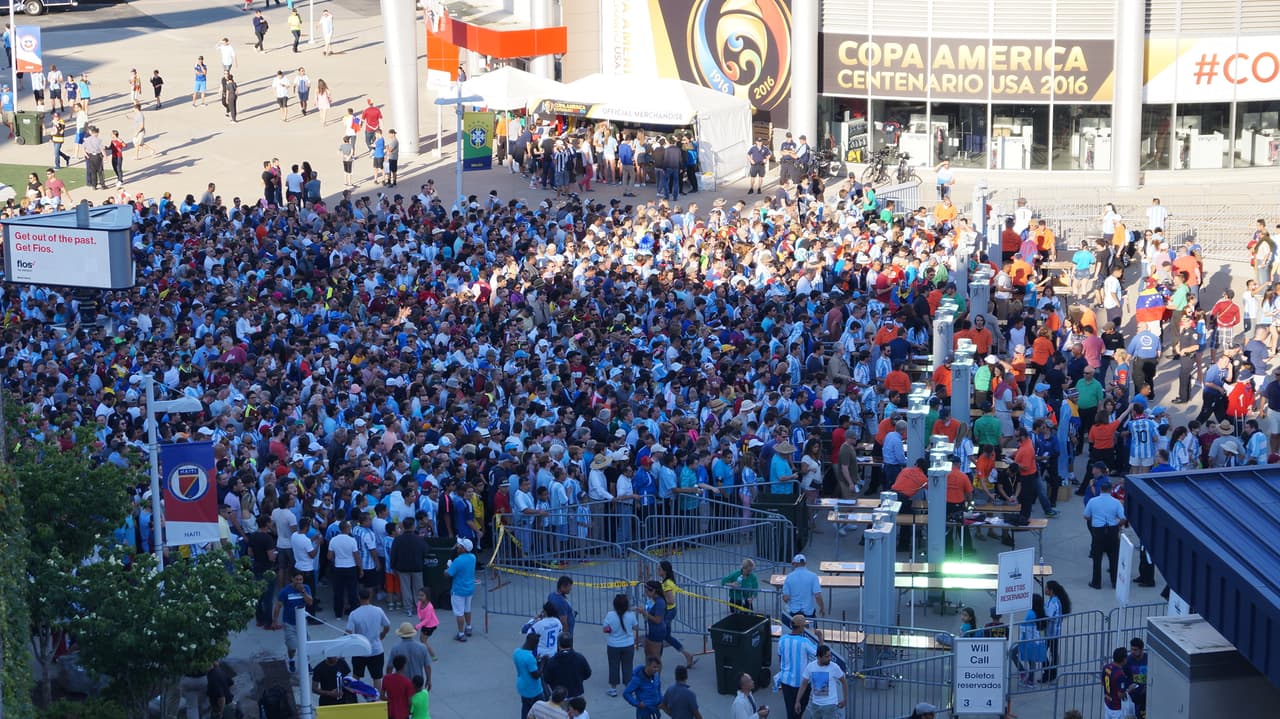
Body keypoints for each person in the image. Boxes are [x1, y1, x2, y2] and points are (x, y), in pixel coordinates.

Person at [345, 588, 391, 695]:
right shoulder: (378, 610)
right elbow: (387, 625)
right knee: (377, 677)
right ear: (369, 597)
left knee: (356, 676)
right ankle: (377, 699)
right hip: (376, 649)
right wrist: (383, 634)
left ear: (359, 598)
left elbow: (348, 632)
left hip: (360, 649)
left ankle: (354, 698)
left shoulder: (354, 614)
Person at [1083, 477, 1125, 589]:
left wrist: (1094, 519)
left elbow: (1086, 516)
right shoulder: (1116, 502)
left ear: (1100, 489)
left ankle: (1096, 582)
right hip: (1112, 530)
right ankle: (1115, 582)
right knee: (1113, 557)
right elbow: (1123, 518)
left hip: (1098, 531)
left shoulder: (1093, 501)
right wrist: (1118, 524)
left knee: (1097, 558)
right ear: (1111, 490)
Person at [656, 561, 697, 669]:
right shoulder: (665, 582)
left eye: (659, 569)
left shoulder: (667, 584)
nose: (657, 570)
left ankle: (657, 661)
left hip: (668, 612)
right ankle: (687, 654)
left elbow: (671, 601)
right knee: (666, 636)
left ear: (664, 571)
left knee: (661, 635)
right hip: (668, 612)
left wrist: (658, 599)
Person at [777, 614, 818, 719]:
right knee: (797, 712)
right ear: (800, 627)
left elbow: (780, 658)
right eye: (804, 626)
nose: (805, 628)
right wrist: (820, 638)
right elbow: (819, 653)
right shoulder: (804, 642)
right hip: (801, 683)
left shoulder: (782, 639)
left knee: (790, 710)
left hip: (786, 681)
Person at [795, 644, 846, 719]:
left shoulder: (834, 667)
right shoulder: (811, 666)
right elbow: (803, 685)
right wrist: (797, 701)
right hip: (815, 705)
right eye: (827, 656)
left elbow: (844, 682)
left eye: (830, 656)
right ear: (819, 657)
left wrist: (845, 699)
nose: (830, 658)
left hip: (830, 705)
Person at [603, 592, 639, 698]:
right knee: (628, 666)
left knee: (613, 665)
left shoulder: (610, 615)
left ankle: (613, 688)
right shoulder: (631, 615)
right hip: (628, 645)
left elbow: (605, 629)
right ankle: (628, 687)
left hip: (613, 645)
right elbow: (636, 627)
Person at [391, 516, 427, 616]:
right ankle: (419, 607)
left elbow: (393, 554)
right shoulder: (419, 539)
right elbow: (426, 551)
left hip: (402, 567)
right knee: (418, 588)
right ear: (413, 526)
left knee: (405, 588)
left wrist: (393, 566)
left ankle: (408, 608)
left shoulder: (398, 539)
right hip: (417, 566)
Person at [444, 537, 477, 641]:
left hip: (458, 590)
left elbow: (448, 574)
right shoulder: (473, 557)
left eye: (460, 546)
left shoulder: (458, 561)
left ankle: (461, 634)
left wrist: (448, 566)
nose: (457, 547)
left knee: (459, 613)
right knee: (467, 609)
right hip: (469, 589)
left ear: (463, 549)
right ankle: (469, 627)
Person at [543, 634, 593, 701]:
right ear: (571, 644)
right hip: (576, 694)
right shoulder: (580, 657)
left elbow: (546, 679)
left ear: (558, 644)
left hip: (559, 697)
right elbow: (588, 674)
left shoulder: (552, 661)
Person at [387, 622, 433, 690]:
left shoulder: (395, 648)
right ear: (412, 634)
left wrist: (389, 681)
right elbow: (427, 666)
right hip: (417, 682)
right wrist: (428, 680)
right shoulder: (422, 647)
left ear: (400, 634)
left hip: (401, 682)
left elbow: (389, 667)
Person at [1042, 581, 1071, 682]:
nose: (1045, 589)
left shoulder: (1053, 602)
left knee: (1043, 652)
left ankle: (1048, 673)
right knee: (1052, 653)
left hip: (1051, 633)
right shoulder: (1054, 600)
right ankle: (1051, 673)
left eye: (1046, 588)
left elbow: (1048, 616)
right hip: (1053, 632)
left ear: (1051, 590)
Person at [514, 632, 544, 719]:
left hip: (522, 686)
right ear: (533, 644)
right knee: (541, 710)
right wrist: (543, 663)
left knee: (525, 708)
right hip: (533, 689)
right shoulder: (529, 657)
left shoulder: (517, 652)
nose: (536, 646)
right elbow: (536, 675)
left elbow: (524, 665)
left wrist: (534, 661)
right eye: (536, 644)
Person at [383, 654, 416, 719]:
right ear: (404, 666)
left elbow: (382, 696)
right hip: (403, 714)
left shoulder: (386, 678)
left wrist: (391, 701)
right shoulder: (407, 682)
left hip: (390, 712)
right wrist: (409, 710)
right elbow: (410, 702)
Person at [1102, 647, 1129, 719]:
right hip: (1116, 708)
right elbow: (1120, 695)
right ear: (1123, 659)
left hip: (1107, 703)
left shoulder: (1106, 667)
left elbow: (1102, 683)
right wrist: (1128, 690)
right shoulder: (1120, 674)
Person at [1125, 637, 1149, 719]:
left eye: (1135, 650)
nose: (1132, 652)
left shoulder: (1148, 659)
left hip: (1147, 695)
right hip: (1135, 697)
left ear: (1141, 649)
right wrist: (1128, 687)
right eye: (1131, 649)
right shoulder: (1128, 660)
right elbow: (1123, 676)